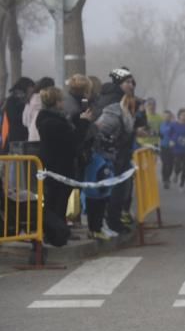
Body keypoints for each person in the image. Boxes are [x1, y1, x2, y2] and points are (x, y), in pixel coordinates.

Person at [36, 86, 95, 245]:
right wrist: (83, 123)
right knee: (57, 201)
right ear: (55, 102)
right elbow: (73, 140)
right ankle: (55, 234)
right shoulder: (51, 121)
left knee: (58, 200)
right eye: (61, 100)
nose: (63, 102)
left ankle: (59, 232)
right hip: (58, 166)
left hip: (58, 165)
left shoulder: (52, 118)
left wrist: (79, 120)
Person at [94, 68, 138, 235]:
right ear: (118, 83)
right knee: (116, 189)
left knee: (115, 188)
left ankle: (112, 221)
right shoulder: (114, 101)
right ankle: (113, 222)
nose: (131, 85)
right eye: (127, 82)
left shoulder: (118, 98)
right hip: (113, 153)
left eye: (132, 82)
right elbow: (104, 128)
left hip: (117, 152)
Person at [1, 77, 34, 153]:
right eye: (31, 87)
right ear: (26, 87)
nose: (33, 90)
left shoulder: (25, 100)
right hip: (16, 138)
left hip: (21, 137)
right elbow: (14, 118)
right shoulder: (12, 100)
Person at [159, 110, 175, 189]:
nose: (166, 118)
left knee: (171, 164)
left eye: (168, 116)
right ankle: (165, 179)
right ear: (163, 117)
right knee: (165, 163)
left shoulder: (173, 125)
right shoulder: (160, 125)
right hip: (163, 146)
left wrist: (173, 140)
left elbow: (176, 134)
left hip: (171, 147)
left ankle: (168, 177)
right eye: (165, 116)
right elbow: (158, 134)